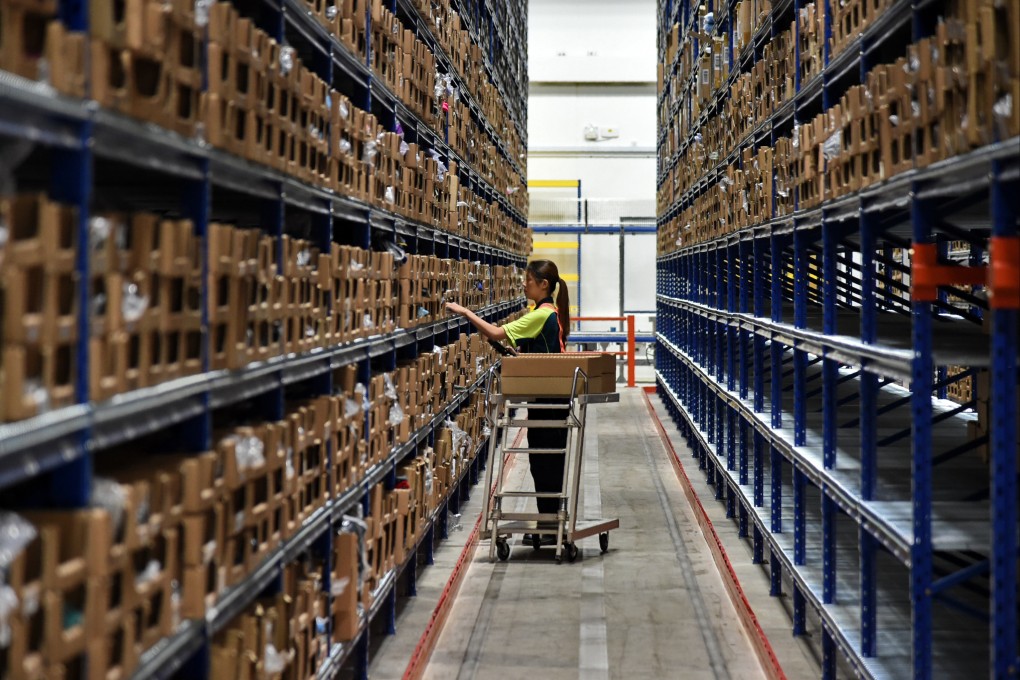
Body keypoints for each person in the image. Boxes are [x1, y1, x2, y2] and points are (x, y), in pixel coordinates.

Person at [445, 259, 571, 545]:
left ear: (544, 285)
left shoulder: (542, 314)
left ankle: (551, 527)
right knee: (544, 461)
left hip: (549, 400)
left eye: (529, 280)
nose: (524, 284)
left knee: (545, 462)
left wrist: (465, 311)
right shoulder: (545, 311)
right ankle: (548, 522)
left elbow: (496, 332)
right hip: (551, 396)